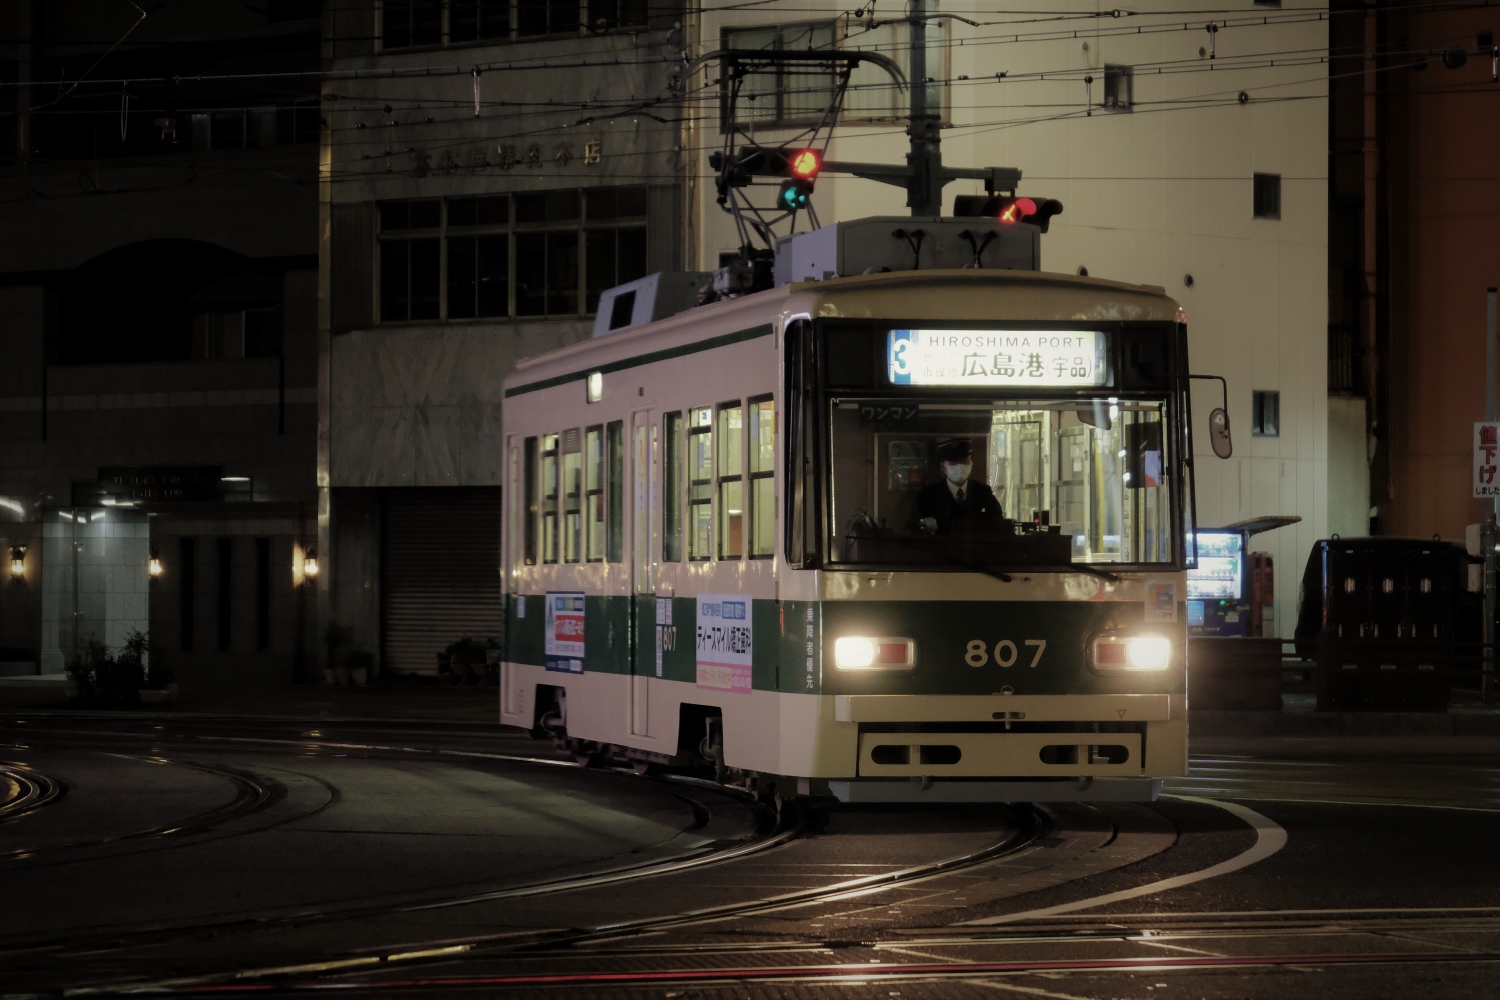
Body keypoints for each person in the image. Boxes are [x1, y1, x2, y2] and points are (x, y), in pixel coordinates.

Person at [915, 438, 1003, 533]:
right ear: (942, 466)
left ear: (971, 462)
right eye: (953, 462)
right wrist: (927, 530)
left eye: (964, 461)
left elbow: (999, 524)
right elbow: (913, 530)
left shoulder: (983, 492)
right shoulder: (927, 496)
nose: (959, 466)